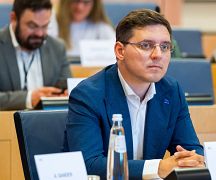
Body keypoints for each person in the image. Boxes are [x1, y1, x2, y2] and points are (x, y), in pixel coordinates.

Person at [66, 9, 204, 179]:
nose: (157, 55)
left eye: (165, 47)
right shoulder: (88, 95)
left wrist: (193, 160)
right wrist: (158, 167)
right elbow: (89, 164)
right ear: (120, 51)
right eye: (146, 45)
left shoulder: (171, 90)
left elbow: (191, 149)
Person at [0, 0, 71, 111]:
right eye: (32, 26)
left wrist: (65, 95)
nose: (40, 33)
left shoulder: (57, 48)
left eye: (45, 26)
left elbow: (68, 90)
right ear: (13, 18)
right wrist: (29, 98)